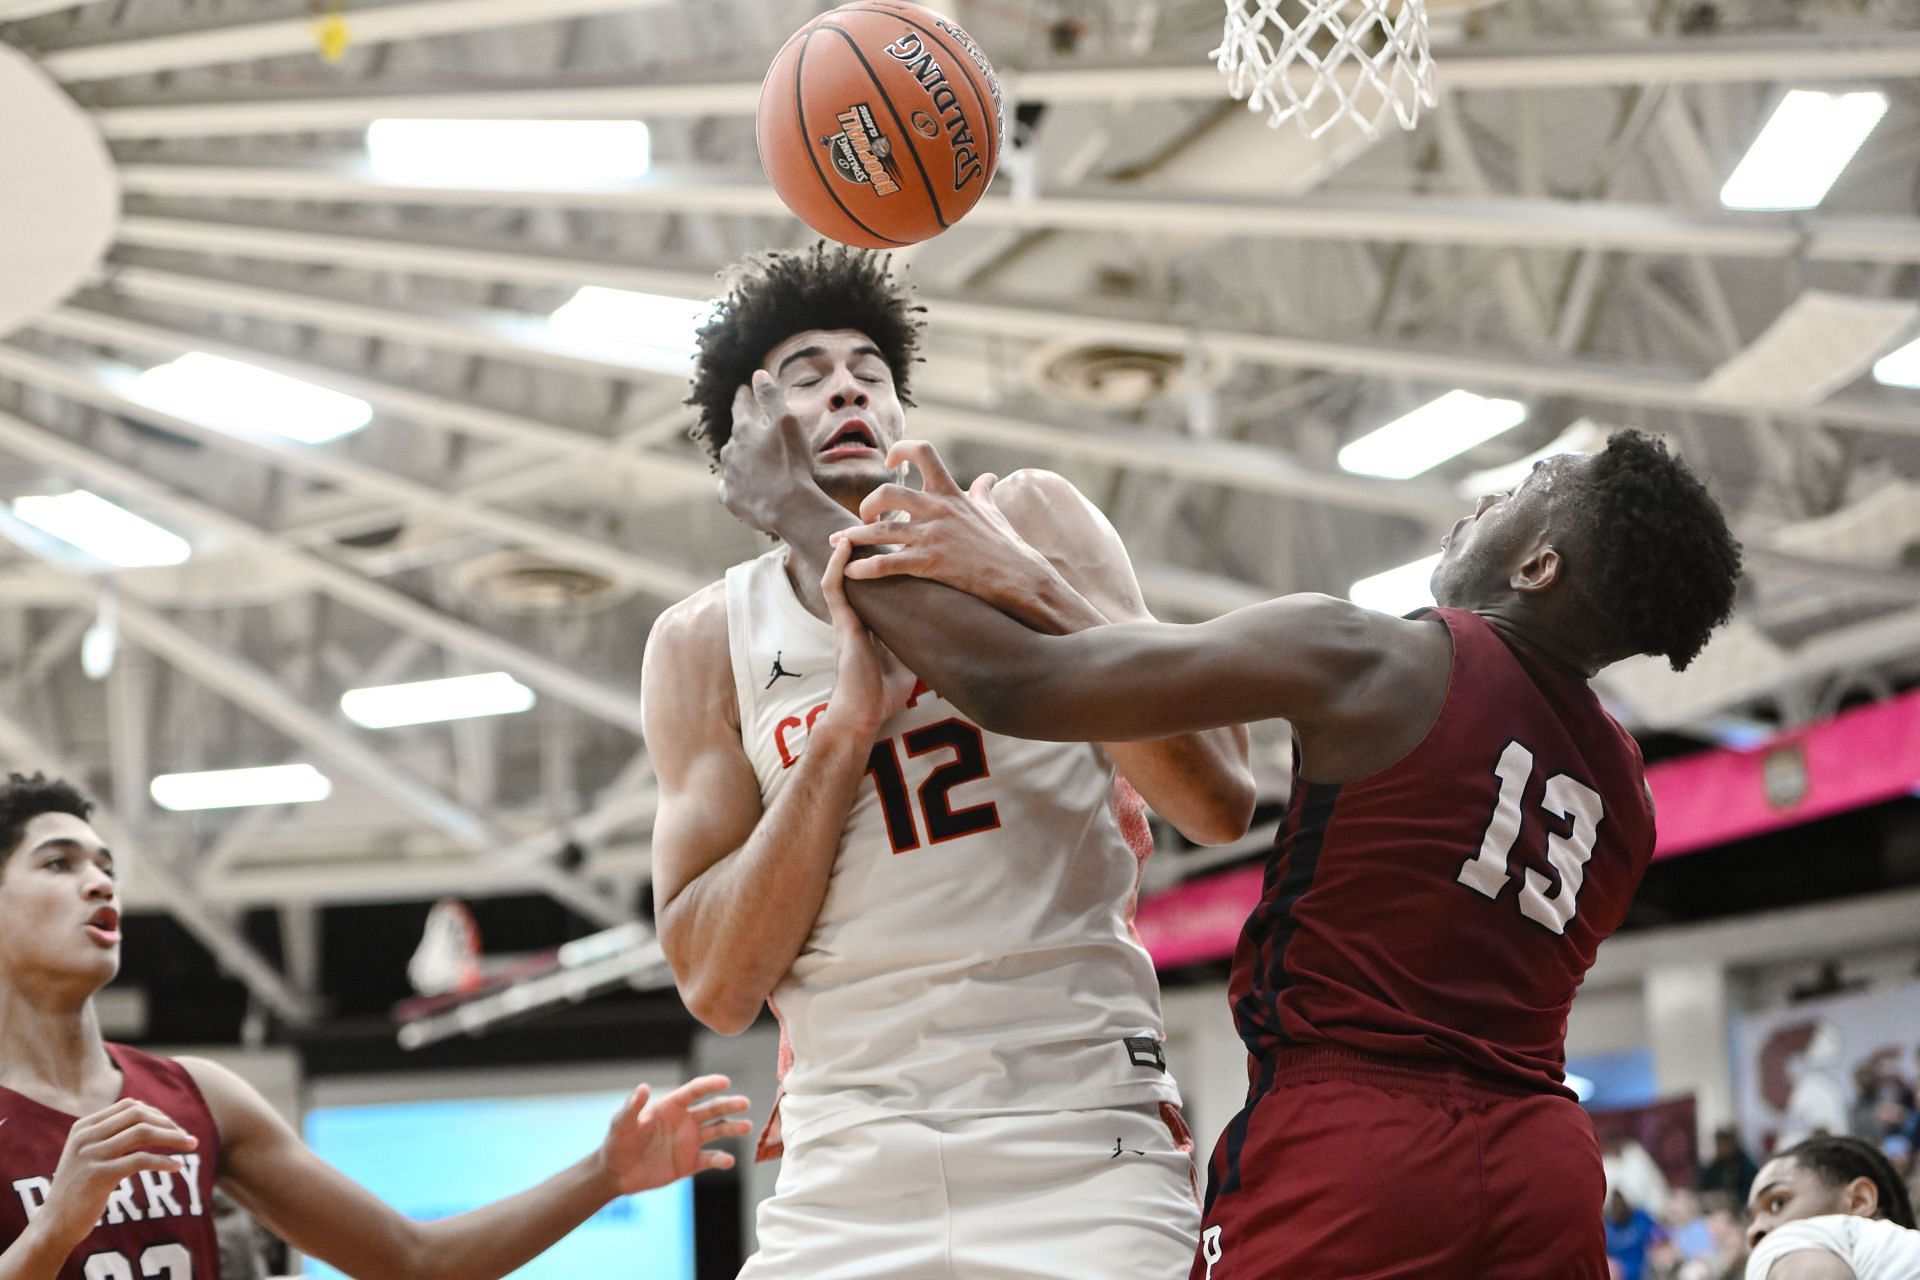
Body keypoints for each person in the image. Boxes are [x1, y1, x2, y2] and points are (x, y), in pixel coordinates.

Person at [718, 400, 1743, 1278]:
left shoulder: (1371, 653)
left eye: (1526, 486)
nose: (1485, 497)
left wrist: (801, 512)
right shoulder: (1627, 790)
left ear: (1539, 561)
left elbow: (1011, 686)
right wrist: (1035, 581)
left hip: (1359, 1143)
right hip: (1545, 1162)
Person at [645, 243, 1254, 1277]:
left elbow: (1219, 797)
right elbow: (714, 981)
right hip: (850, 1154)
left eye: (869, 372)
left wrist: (1024, 583)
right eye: (807, 372)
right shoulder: (707, 638)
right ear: (750, 434)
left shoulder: (1028, 517)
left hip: (1080, 1128)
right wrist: (840, 735)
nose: (845, 382)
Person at [0, 772, 751, 1280]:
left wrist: (604, 1175)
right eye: (58, 864)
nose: (100, 882)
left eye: (105, 865)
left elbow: (414, 1259)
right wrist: (52, 1232)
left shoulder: (198, 1097)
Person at [1744, 1134, 1920, 1279]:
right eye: (1750, 1221)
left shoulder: (1792, 1239)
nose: (1753, 1231)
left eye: (1777, 1203)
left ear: (1859, 1200)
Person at [1608, 1188, 1667, 1280]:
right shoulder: (1608, 1227)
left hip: (1644, 1270)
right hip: (1617, 1274)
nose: (1618, 1206)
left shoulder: (1641, 1219)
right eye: (1614, 1204)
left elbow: (1661, 1237)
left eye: (1620, 1202)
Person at [1703, 1126, 1764, 1204]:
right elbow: (1705, 1189)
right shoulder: (1714, 1168)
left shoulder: (1747, 1167)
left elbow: (1752, 1194)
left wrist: (1733, 1198)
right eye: (1719, 1144)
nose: (1721, 1148)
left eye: (1724, 1143)